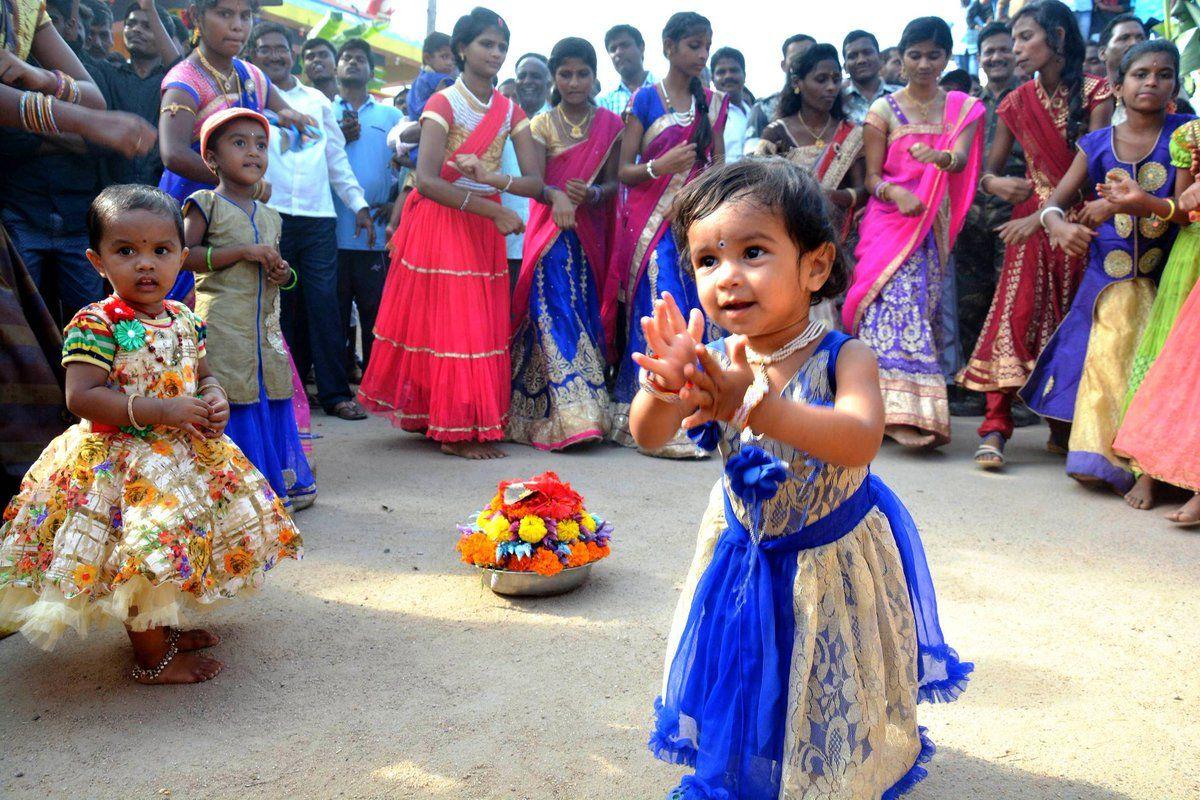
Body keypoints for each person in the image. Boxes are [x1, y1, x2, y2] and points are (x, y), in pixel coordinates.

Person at [633, 159, 970, 800]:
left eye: (753, 251)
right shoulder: (714, 357)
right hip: (744, 552)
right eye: (707, 260)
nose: (727, 277)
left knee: (829, 672)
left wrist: (751, 403)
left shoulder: (848, 356)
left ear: (814, 266)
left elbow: (859, 438)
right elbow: (649, 435)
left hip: (830, 558)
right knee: (748, 672)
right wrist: (665, 385)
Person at [0, 183, 301, 681]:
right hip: (121, 463)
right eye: (126, 251)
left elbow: (200, 373)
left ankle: (164, 628)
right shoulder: (95, 324)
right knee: (143, 552)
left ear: (183, 257)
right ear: (97, 261)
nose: (145, 264)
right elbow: (80, 396)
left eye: (160, 251)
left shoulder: (183, 317)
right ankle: (151, 658)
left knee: (181, 542)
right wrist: (161, 409)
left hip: (184, 455)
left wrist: (214, 396)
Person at [357, 7, 543, 460]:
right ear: (461, 49)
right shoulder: (443, 103)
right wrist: (488, 207)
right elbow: (426, 179)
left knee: (478, 322)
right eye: (485, 44)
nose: (495, 53)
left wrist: (493, 180)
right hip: (444, 218)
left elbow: (535, 182)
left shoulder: (510, 110)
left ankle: (444, 415)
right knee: (454, 322)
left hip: (484, 220)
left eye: (501, 46)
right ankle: (454, 430)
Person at [960, 0, 1113, 469]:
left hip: (1083, 218)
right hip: (1029, 220)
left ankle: (1066, 426)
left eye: (1026, 37)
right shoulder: (1014, 101)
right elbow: (987, 172)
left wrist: (1047, 216)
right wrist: (996, 184)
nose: (1016, 48)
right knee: (1016, 313)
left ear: (1059, 39)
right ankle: (996, 425)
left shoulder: (1096, 91)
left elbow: (1096, 160)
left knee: (1077, 318)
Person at [1030, 40, 1183, 494]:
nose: (1152, 82)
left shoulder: (1186, 134)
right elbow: (1054, 205)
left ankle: (1149, 467)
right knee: (1108, 360)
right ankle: (1099, 455)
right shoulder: (1096, 144)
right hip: (1107, 280)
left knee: (1157, 370)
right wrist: (1059, 227)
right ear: (1117, 87)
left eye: (1163, 74)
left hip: (1168, 275)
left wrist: (1140, 205)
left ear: (1174, 84)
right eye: (1140, 74)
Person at [844, 17, 985, 450]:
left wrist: (939, 158)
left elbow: (960, 161)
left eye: (934, 54)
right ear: (900, 58)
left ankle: (900, 409)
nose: (924, 63)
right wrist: (895, 194)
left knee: (920, 308)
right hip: (888, 219)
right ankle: (889, 411)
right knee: (888, 306)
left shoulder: (961, 106)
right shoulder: (883, 110)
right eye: (915, 54)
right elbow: (870, 178)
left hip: (930, 222)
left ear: (946, 58)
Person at [181, 107, 317, 510]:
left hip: (264, 327)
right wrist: (242, 251)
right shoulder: (205, 203)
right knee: (234, 393)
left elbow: (283, 274)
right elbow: (185, 255)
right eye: (239, 143)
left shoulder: (271, 216)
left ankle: (276, 482)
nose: (253, 152)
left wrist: (283, 272)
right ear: (212, 159)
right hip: (223, 322)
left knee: (267, 391)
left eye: (260, 145)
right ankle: (237, 489)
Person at [610, 11, 729, 457]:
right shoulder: (644, 99)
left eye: (706, 46)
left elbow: (717, 166)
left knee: (703, 310)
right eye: (693, 46)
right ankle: (652, 414)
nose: (702, 55)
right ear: (668, 47)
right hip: (652, 225)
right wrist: (662, 166)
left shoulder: (715, 104)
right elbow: (624, 170)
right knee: (663, 303)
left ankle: (703, 410)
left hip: (696, 222)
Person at [248, 21, 372, 422]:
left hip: (318, 218)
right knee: (277, 308)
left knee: (324, 305)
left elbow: (336, 158)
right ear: (253, 56)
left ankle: (335, 394)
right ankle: (285, 391)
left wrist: (359, 205)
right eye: (264, 50)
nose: (274, 55)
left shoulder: (317, 100)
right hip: (270, 215)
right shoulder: (249, 102)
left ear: (292, 53)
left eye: (280, 48)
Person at [157, 0, 312, 302]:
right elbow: (172, 153)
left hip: (239, 208)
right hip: (191, 207)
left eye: (245, 15)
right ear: (196, 17)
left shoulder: (251, 75)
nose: (237, 25)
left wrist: (294, 117)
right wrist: (243, 183)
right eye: (225, 14)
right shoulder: (185, 80)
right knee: (186, 314)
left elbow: (282, 108)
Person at [508, 37, 621, 450]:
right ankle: (576, 415)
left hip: (590, 238)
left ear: (594, 76)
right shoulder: (540, 124)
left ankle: (562, 410)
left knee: (583, 312)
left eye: (582, 73)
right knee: (553, 310)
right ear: (556, 78)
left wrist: (591, 195)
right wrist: (558, 196)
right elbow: (535, 184)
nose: (574, 82)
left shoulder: (610, 124)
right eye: (566, 74)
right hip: (550, 233)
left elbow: (613, 184)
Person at [0, 0, 124, 328]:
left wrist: (39, 78)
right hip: (20, 209)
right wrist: (84, 124)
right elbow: (13, 141)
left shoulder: (24, 8)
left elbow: (95, 105)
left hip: (74, 217)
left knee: (85, 329)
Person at [950, 20, 1026, 417]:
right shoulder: (969, 105)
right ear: (979, 59)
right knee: (971, 303)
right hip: (971, 221)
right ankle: (977, 389)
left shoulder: (1028, 99)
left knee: (1011, 305)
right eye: (989, 52)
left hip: (1016, 218)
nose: (996, 57)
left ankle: (1012, 395)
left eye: (1003, 49)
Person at [333, 38, 401, 374]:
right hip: (330, 233)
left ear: (372, 71)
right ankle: (338, 378)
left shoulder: (392, 114)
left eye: (361, 59)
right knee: (334, 312)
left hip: (374, 233)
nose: (353, 62)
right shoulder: (323, 110)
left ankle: (377, 380)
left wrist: (395, 202)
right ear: (337, 68)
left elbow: (407, 164)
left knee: (376, 311)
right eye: (346, 57)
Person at [755, 43, 865, 233]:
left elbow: (864, 190)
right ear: (797, 83)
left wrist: (830, 196)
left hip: (844, 237)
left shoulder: (852, 133)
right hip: (791, 233)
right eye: (821, 80)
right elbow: (760, 190)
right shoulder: (776, 134)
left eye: (836, 79)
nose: (831, 87)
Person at [86, 0, 181, 188]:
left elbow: (179, 67)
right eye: (131, 24)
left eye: (147, 26)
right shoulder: (107, 73)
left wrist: (149, 8)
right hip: (110, 190)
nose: (136, 29)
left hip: (160, 190)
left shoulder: (172, 81)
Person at [501, 52, 551, 277]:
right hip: (505, 238)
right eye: (522, 76)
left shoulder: (558, 122)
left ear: (549, 82)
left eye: (536, 76)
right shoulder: (500, 119)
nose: (528, 81)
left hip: (548, 239)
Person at [745, 33, 814, 149]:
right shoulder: (763, 109)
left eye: (811, 58)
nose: (805, 65)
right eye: (797, 59)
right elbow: (752, 160)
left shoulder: (833, 104)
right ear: (784, 65)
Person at [842, 29, 902, 125]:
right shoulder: (838, 101)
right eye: (853, 56)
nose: (861, 60)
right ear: (845, 67)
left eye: (867, 52)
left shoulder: (901, 95)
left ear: (881, 58)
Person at [1098, 12, 1147, 123]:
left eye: (1141, 38)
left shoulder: (1159, 89)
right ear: (1103, 53)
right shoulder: (1091, 96)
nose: (1134, 43)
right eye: (1124, 38)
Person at [598, 24, 654, 115]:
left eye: (625, 45)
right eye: (613, 49)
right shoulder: (603, 102)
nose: (618, 52)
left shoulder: (665, 89)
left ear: (641, 47)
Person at [709, 47, 751, 162]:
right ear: (712, 78)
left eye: (734, 70)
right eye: (721, 72)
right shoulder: (708, 115)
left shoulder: (754, 113)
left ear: (744, 75)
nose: (728, 76)